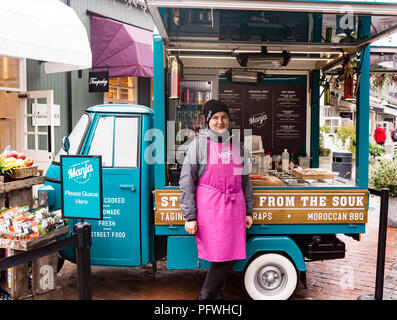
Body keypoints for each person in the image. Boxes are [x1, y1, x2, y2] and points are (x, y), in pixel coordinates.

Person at [179, 99, 254, 300]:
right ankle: (205, 296)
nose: (220, 122)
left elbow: (245, 180)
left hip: (234, 207)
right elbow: (186, 181)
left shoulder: (237, 145)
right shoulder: (198, 145)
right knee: (222, 255)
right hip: (211, 207)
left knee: (228, 254)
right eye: (215, 118)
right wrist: (189, 216)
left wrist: (248, 210)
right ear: (207, 120)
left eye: (224, 117)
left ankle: (217, 297)